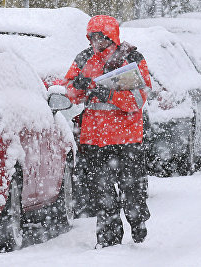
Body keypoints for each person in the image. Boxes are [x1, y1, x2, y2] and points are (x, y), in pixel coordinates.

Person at [65, 15, 153, 248]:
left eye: (101, 38)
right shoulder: (84, 59)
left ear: (111, 37)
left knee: (132, 188)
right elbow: (68, 90)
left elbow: (139, 98)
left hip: (127, 137)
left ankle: (137, 221)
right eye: (92, 38)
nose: (96, 43)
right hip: (94, 137)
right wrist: (78, 86)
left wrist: (112, 95)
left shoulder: (131, 58)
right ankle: (108, 239)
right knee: (102, 192)